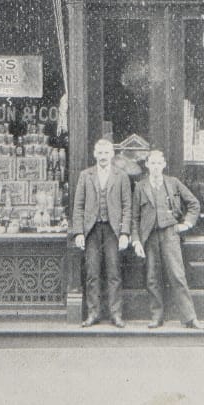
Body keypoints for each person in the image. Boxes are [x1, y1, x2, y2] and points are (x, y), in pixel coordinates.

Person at [131, 150, 204, 330]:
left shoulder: (173, 183)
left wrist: (186, 224)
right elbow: (134, 217)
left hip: (170, 235)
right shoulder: (140, 187)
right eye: (152, 163)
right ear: (147, 165)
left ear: (164, 164)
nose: (156, 167)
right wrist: (136, 240)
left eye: (159, 163)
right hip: (149, 237)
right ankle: (157, 316)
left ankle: (190, 318)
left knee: (177, 275)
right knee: (152, 277)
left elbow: (194, 204)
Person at [71, 138, 133, 328]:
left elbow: (127, 207)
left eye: (106, 152)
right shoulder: (85, 175)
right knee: (92, 273)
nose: (103, 156)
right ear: (94, 154)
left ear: (112, 154)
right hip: (92, 230)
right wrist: (78, 232)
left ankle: (116, 314)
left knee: (114, 273)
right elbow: (78, 206)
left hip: (113, 231)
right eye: (100, 152)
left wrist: (124, 232)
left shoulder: (121, 176)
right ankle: (93, 313)